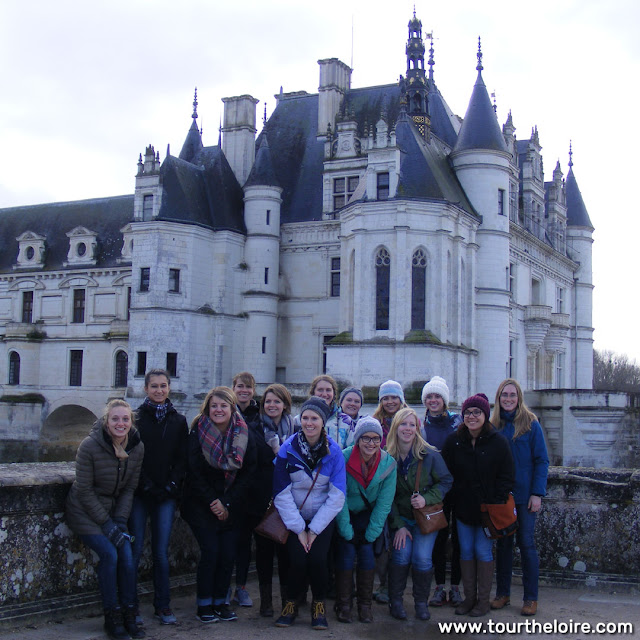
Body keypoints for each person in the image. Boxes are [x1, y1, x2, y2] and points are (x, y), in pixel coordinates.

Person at [66, 400, 145, 640]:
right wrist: (108, 525)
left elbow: (129, 488)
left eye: (125, 419)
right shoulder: (89, 446)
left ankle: (130, 614)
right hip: (83, 512)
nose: (120, 424)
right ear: (106, 422)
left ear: (130, 422)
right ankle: (112, 616)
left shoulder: (137, 447)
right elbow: (84, 491)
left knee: (128, 557)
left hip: (111, 512)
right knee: (110, 555)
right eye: (115, 419)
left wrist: (120, 521)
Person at [181, 387, 256, 624]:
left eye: (223, 406)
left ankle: (220, 603)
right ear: (207, 408)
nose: (218, 410)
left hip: (231, 504)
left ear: (232, 408)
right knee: (211, 551)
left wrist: (226, 502)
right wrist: (214, 502)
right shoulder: (198, 432)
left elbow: (247, 473)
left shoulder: (244, 434)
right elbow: (193, 472)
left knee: (227, 554)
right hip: (200, 504)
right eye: (214, 406)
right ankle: (204, 603)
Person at [273, 397, 346, 630]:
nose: (309, 423)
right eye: (305, 418)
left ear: (323, 422)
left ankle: (319, 605)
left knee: (317, 560)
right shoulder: (287, 449)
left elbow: (337, 496)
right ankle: (291, 604)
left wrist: (313, 530)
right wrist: (298, 528)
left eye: (314, 418)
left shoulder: (334, 452)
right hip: (294, 516)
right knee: (296, 561)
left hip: (321, 518)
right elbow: (281, 493)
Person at [441, 393, 515, 617]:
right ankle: (469, 598)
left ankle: (482, 601)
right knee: (465, 551)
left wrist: (495, 500)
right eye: (468, 413)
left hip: (487, 510)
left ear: (485, 415)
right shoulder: (454, 441)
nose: (472, 417)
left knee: (482, 551)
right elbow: (445, 474)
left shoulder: (498, 442)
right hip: (463, 508)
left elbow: (507, 475)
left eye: (477, 412)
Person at [129, 370, 188, 626]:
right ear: (146, 389)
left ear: (169, 388)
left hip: (165, 494)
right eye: (154, 386)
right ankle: (130, 606)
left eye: (163, 386)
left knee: (160, 553)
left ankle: (162, 605)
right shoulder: (135, 419)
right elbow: (131, 457)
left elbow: (182, 458)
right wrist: (146, 485)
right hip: (141, 494)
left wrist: (171, 485)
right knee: (134, 550)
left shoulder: (178, 421)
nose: (159, 390)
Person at [386, 408, 452, 621]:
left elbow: (446, 481)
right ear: (396, 428)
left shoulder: (430, 454)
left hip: (425, 519)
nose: (407, 429)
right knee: (402, 555)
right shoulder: (388, 458)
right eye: (403, 424)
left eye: (412, 425)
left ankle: (421, 603)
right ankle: (395, 601)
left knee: (422, 558)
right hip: (402, 519)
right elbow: (387, 498)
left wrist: (427, 498)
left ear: (417, 428)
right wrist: (398, 525)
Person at [490, 379, 549, 617]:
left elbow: (541, 460)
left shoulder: (531, 423)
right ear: (499, 397)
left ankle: (530, 598)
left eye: (512, 395)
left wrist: (537, 493)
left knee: (526, 545)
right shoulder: (493, 425)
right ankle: (503, 594)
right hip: (502, 496)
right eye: (504, 395)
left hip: (524, 497)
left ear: (519, 397)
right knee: (503, 545)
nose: (508, 399)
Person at [335, 417, 397, 623]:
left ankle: (365, 605)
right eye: (366, 438)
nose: (371, 443)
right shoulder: (342, 459)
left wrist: (371, 533)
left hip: (369, 517)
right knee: (346, 553)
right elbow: (339, 496)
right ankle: (344, 604)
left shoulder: (389, 464)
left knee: (366, 553)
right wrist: (346, 530)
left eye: (376, 439)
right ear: (357, 439)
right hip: (346, 514)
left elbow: (384, 503)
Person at [419, 376, 463, 608]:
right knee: (437, 538)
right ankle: (438, 587)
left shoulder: (458, 423)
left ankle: (454, 586)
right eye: (429, 396)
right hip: (434, 491)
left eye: (437, 396)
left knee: (458, 539)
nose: (433, 400)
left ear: (445, 400)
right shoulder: (420, 425)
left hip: (458, 488)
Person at [252, 384, 295, 616]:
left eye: (276, 401)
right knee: (264, 553)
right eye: (268, 401)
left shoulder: (296, 430)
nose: (271, 405)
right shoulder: (253, 429)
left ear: (285, 405)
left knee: (287, 553)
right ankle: (266, 602)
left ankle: (288, 601)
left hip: (289, 500)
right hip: (262, 499)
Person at [371, 379, 408, 604]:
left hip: (403, 489)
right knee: (382, 542)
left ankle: (395, 590)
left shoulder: (409, 421)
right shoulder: (375, 423)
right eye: (386, 397)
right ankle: (384, 585)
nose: (390, 401)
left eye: (394, 397)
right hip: (381, 489)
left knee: (399, 543)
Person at [228, 371, 261, 608]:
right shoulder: (224, 412)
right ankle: (223, 587)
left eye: (248, 387)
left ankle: (240, 587)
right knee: (228, 540)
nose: (244, 390)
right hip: (228, 486)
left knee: (243, 542)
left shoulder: (258, 415)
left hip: (252, 487)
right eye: (240, 386)